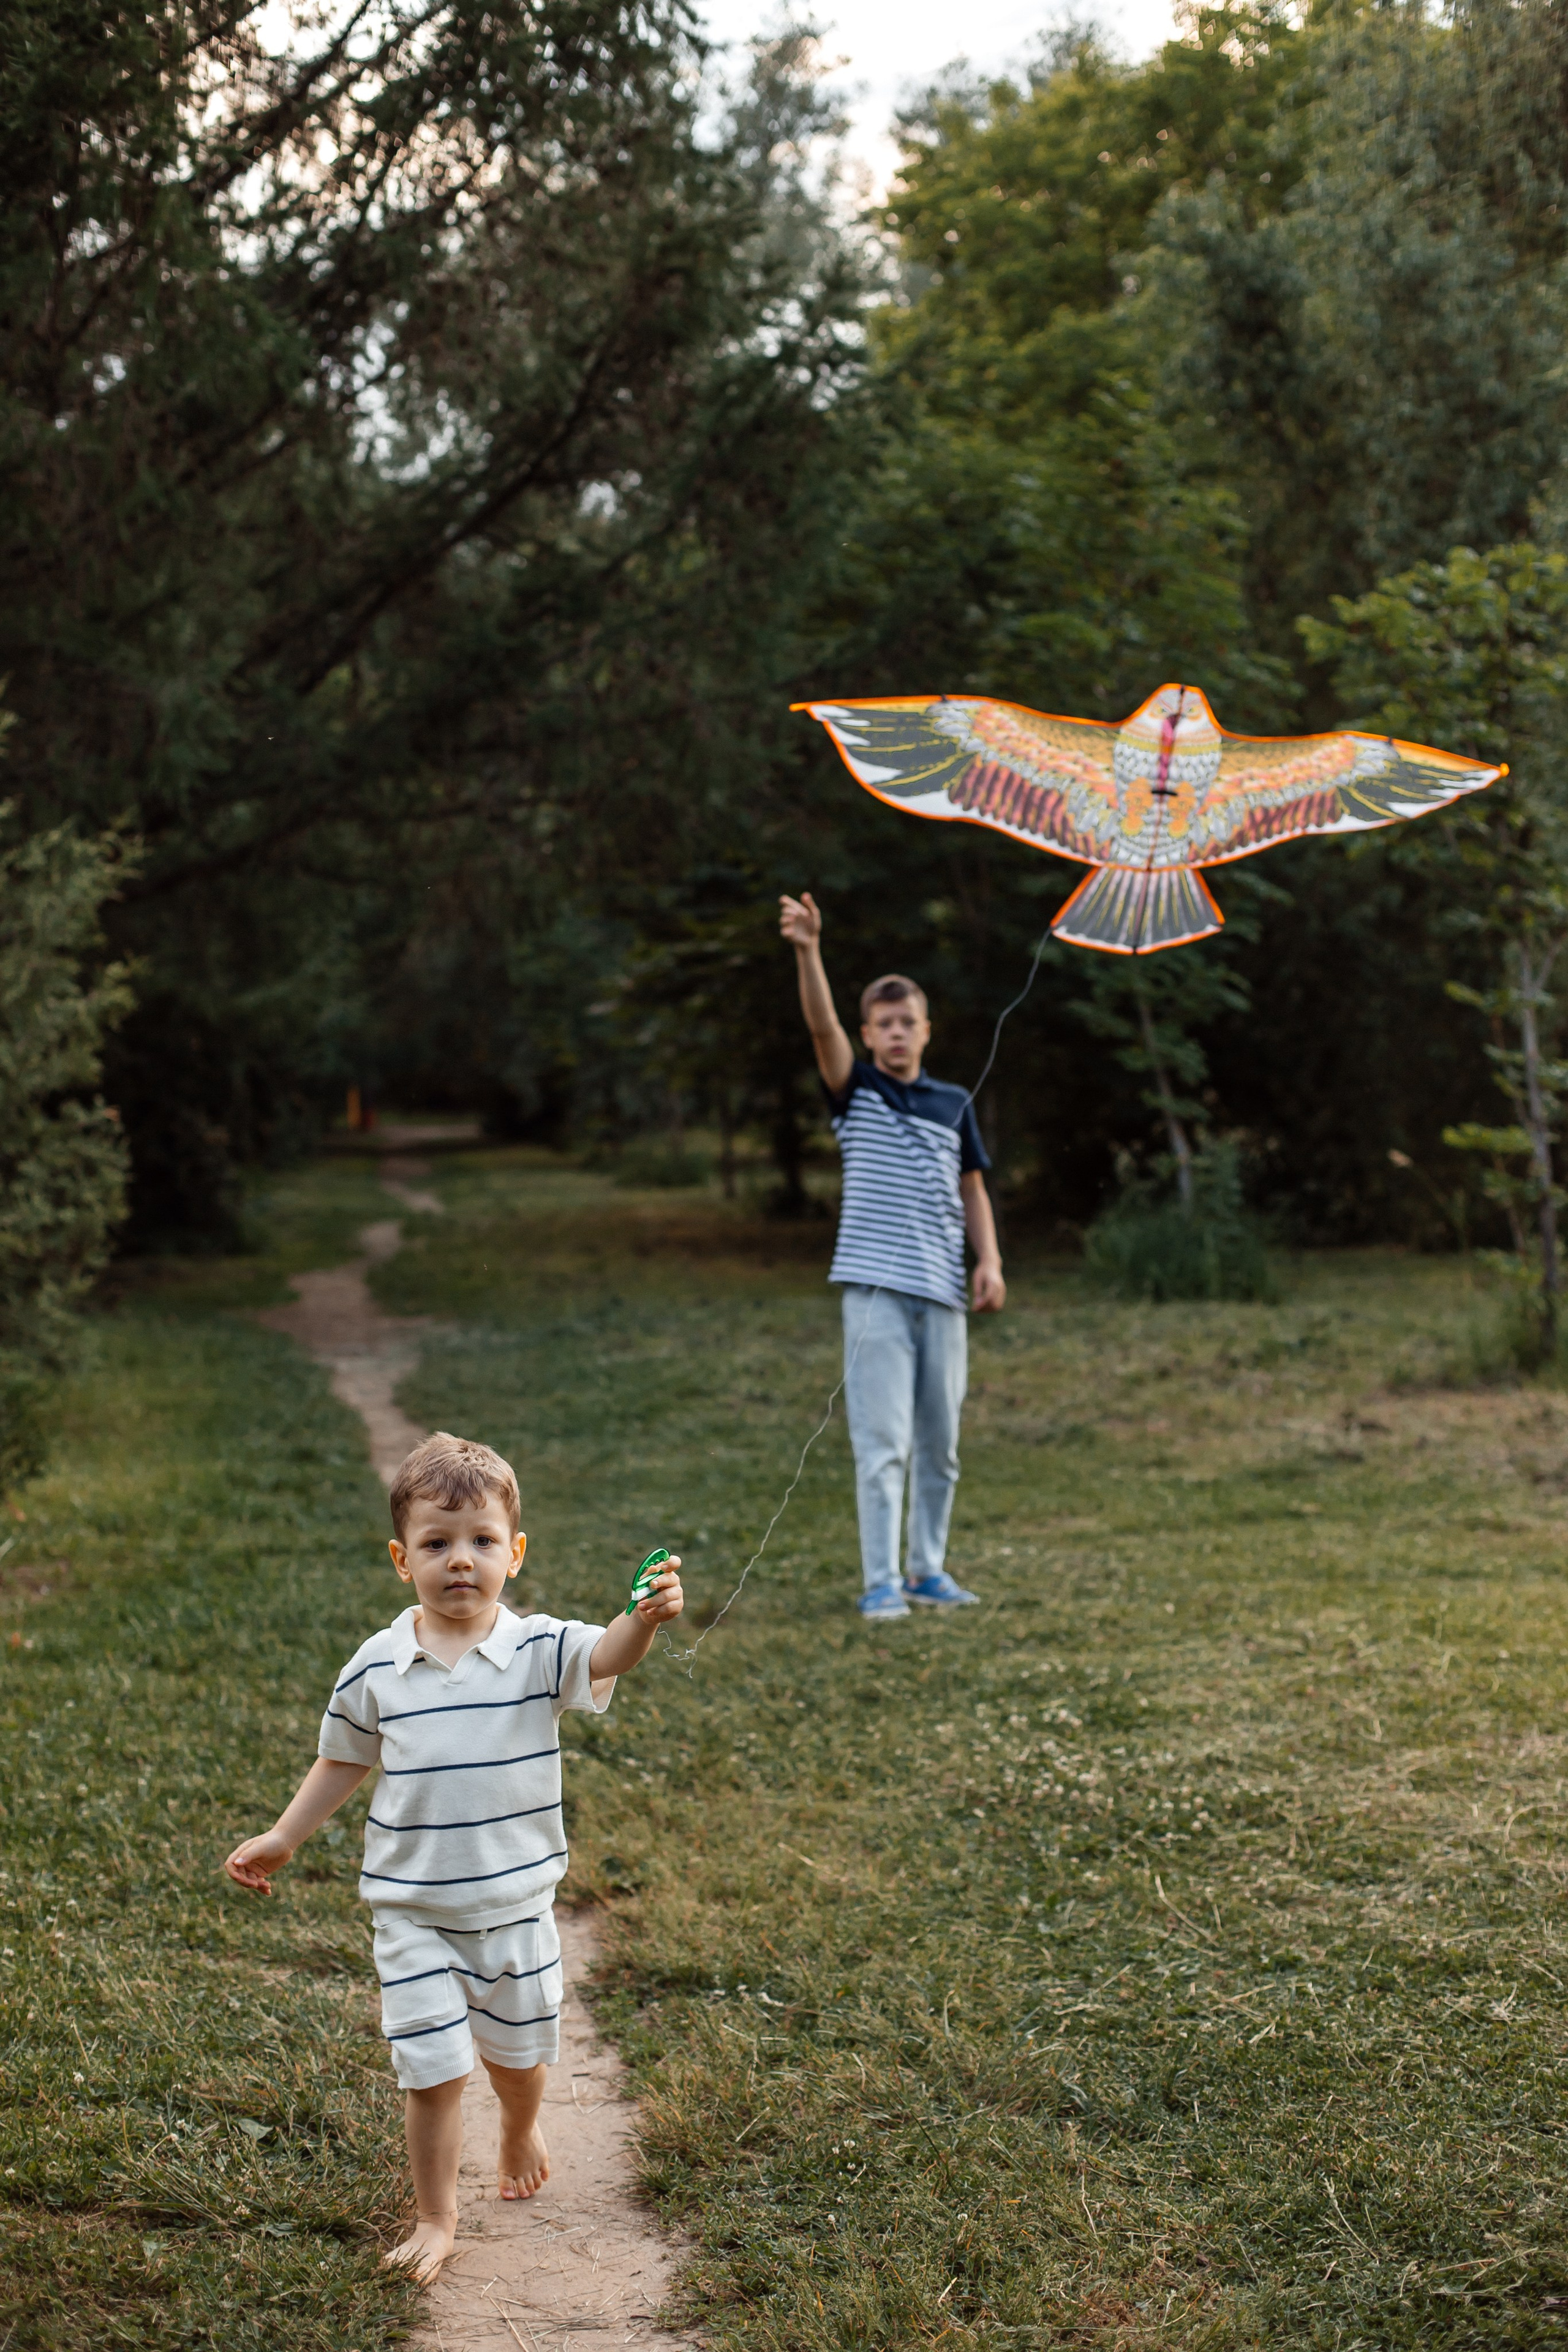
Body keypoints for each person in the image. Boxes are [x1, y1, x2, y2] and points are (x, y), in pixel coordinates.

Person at [223, 1431, 683, 2283]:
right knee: (431, 2072)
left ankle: (518, 2126)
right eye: (436, 1544)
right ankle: (437, 2216)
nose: (459, 1561)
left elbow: (607, 1655)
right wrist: (286, 1835)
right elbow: (344, 1759)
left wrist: (642, 1618)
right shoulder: (377, 1668)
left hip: (514, 1909)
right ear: (403, 1560)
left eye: (479, 1542)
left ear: (514, 1552)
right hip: (413, 1913)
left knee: (517, 2060)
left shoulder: (542, 1649)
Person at [779, 891, 1005, 1622]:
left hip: (943, 1296)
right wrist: (809, 950)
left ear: (927, 1031)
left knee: (940, 1446)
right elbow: (820, 1027)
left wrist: (989, 1261)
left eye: (909, 1021)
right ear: (870, 1035)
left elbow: (973, 1189)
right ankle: (880, 1582)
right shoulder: (857, 1092)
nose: (898, 1032)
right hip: (874, 1292)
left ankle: (927, 1571)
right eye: (885, 1024)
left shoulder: (953, 1104)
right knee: (884, 1446)